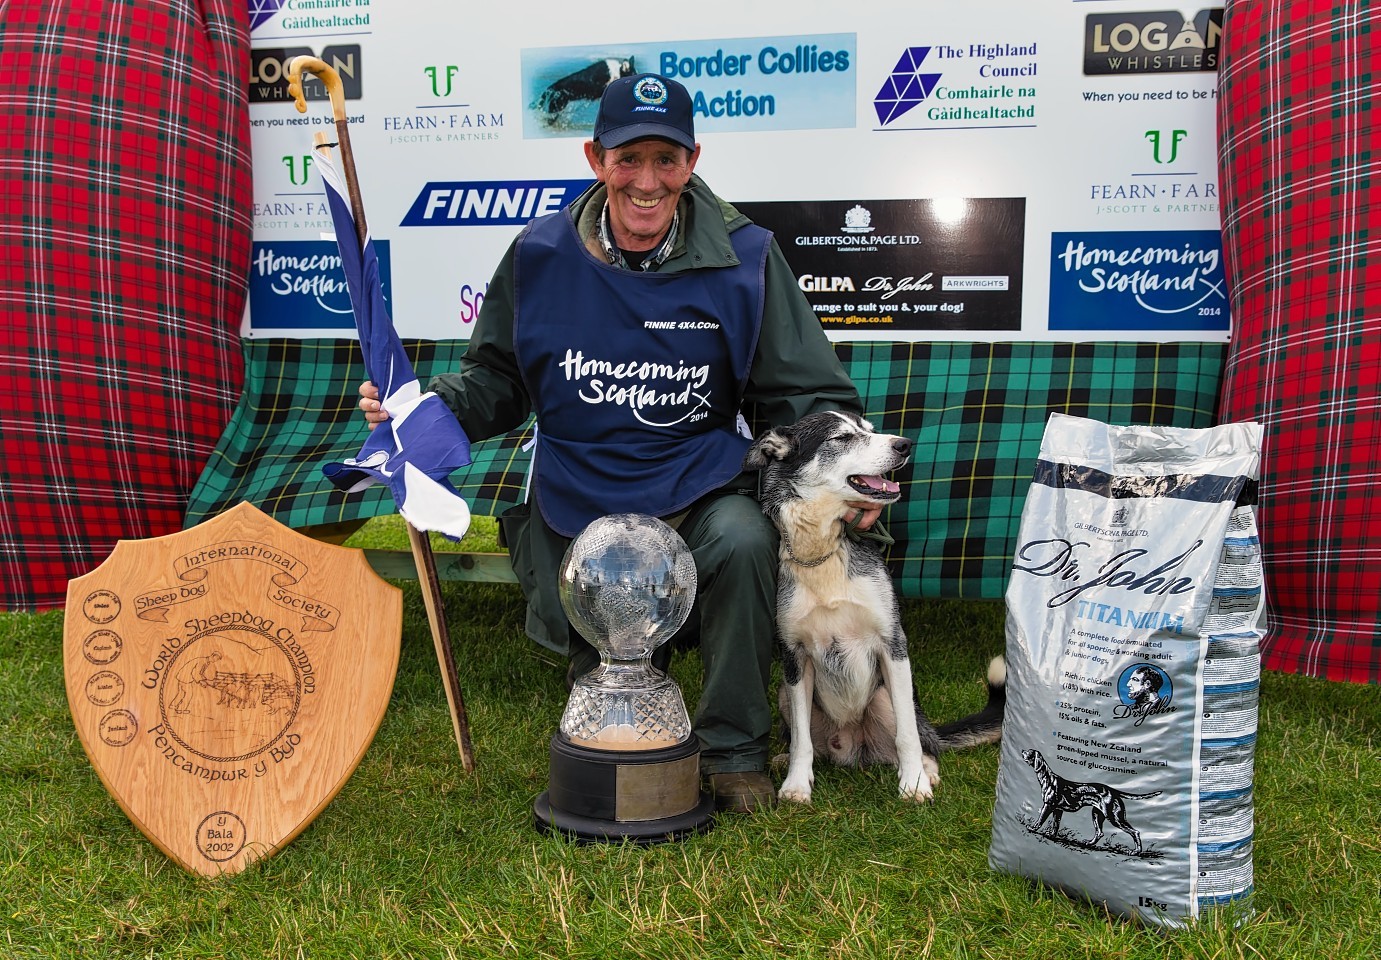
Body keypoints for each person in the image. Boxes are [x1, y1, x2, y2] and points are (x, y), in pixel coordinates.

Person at [359, 73, 875, 813]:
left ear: (692, 160)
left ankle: (732, 753)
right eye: (627, 158)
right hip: (581, 494)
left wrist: (846, 484)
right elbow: (497, 378)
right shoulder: (538, 254)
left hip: (697, 481)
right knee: (605, 727)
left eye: (666, 160)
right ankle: (620, 726)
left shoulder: (746, 256)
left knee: (741, 536)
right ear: (593, 157)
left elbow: (806, 395)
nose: (646, 181)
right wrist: (421, 412)